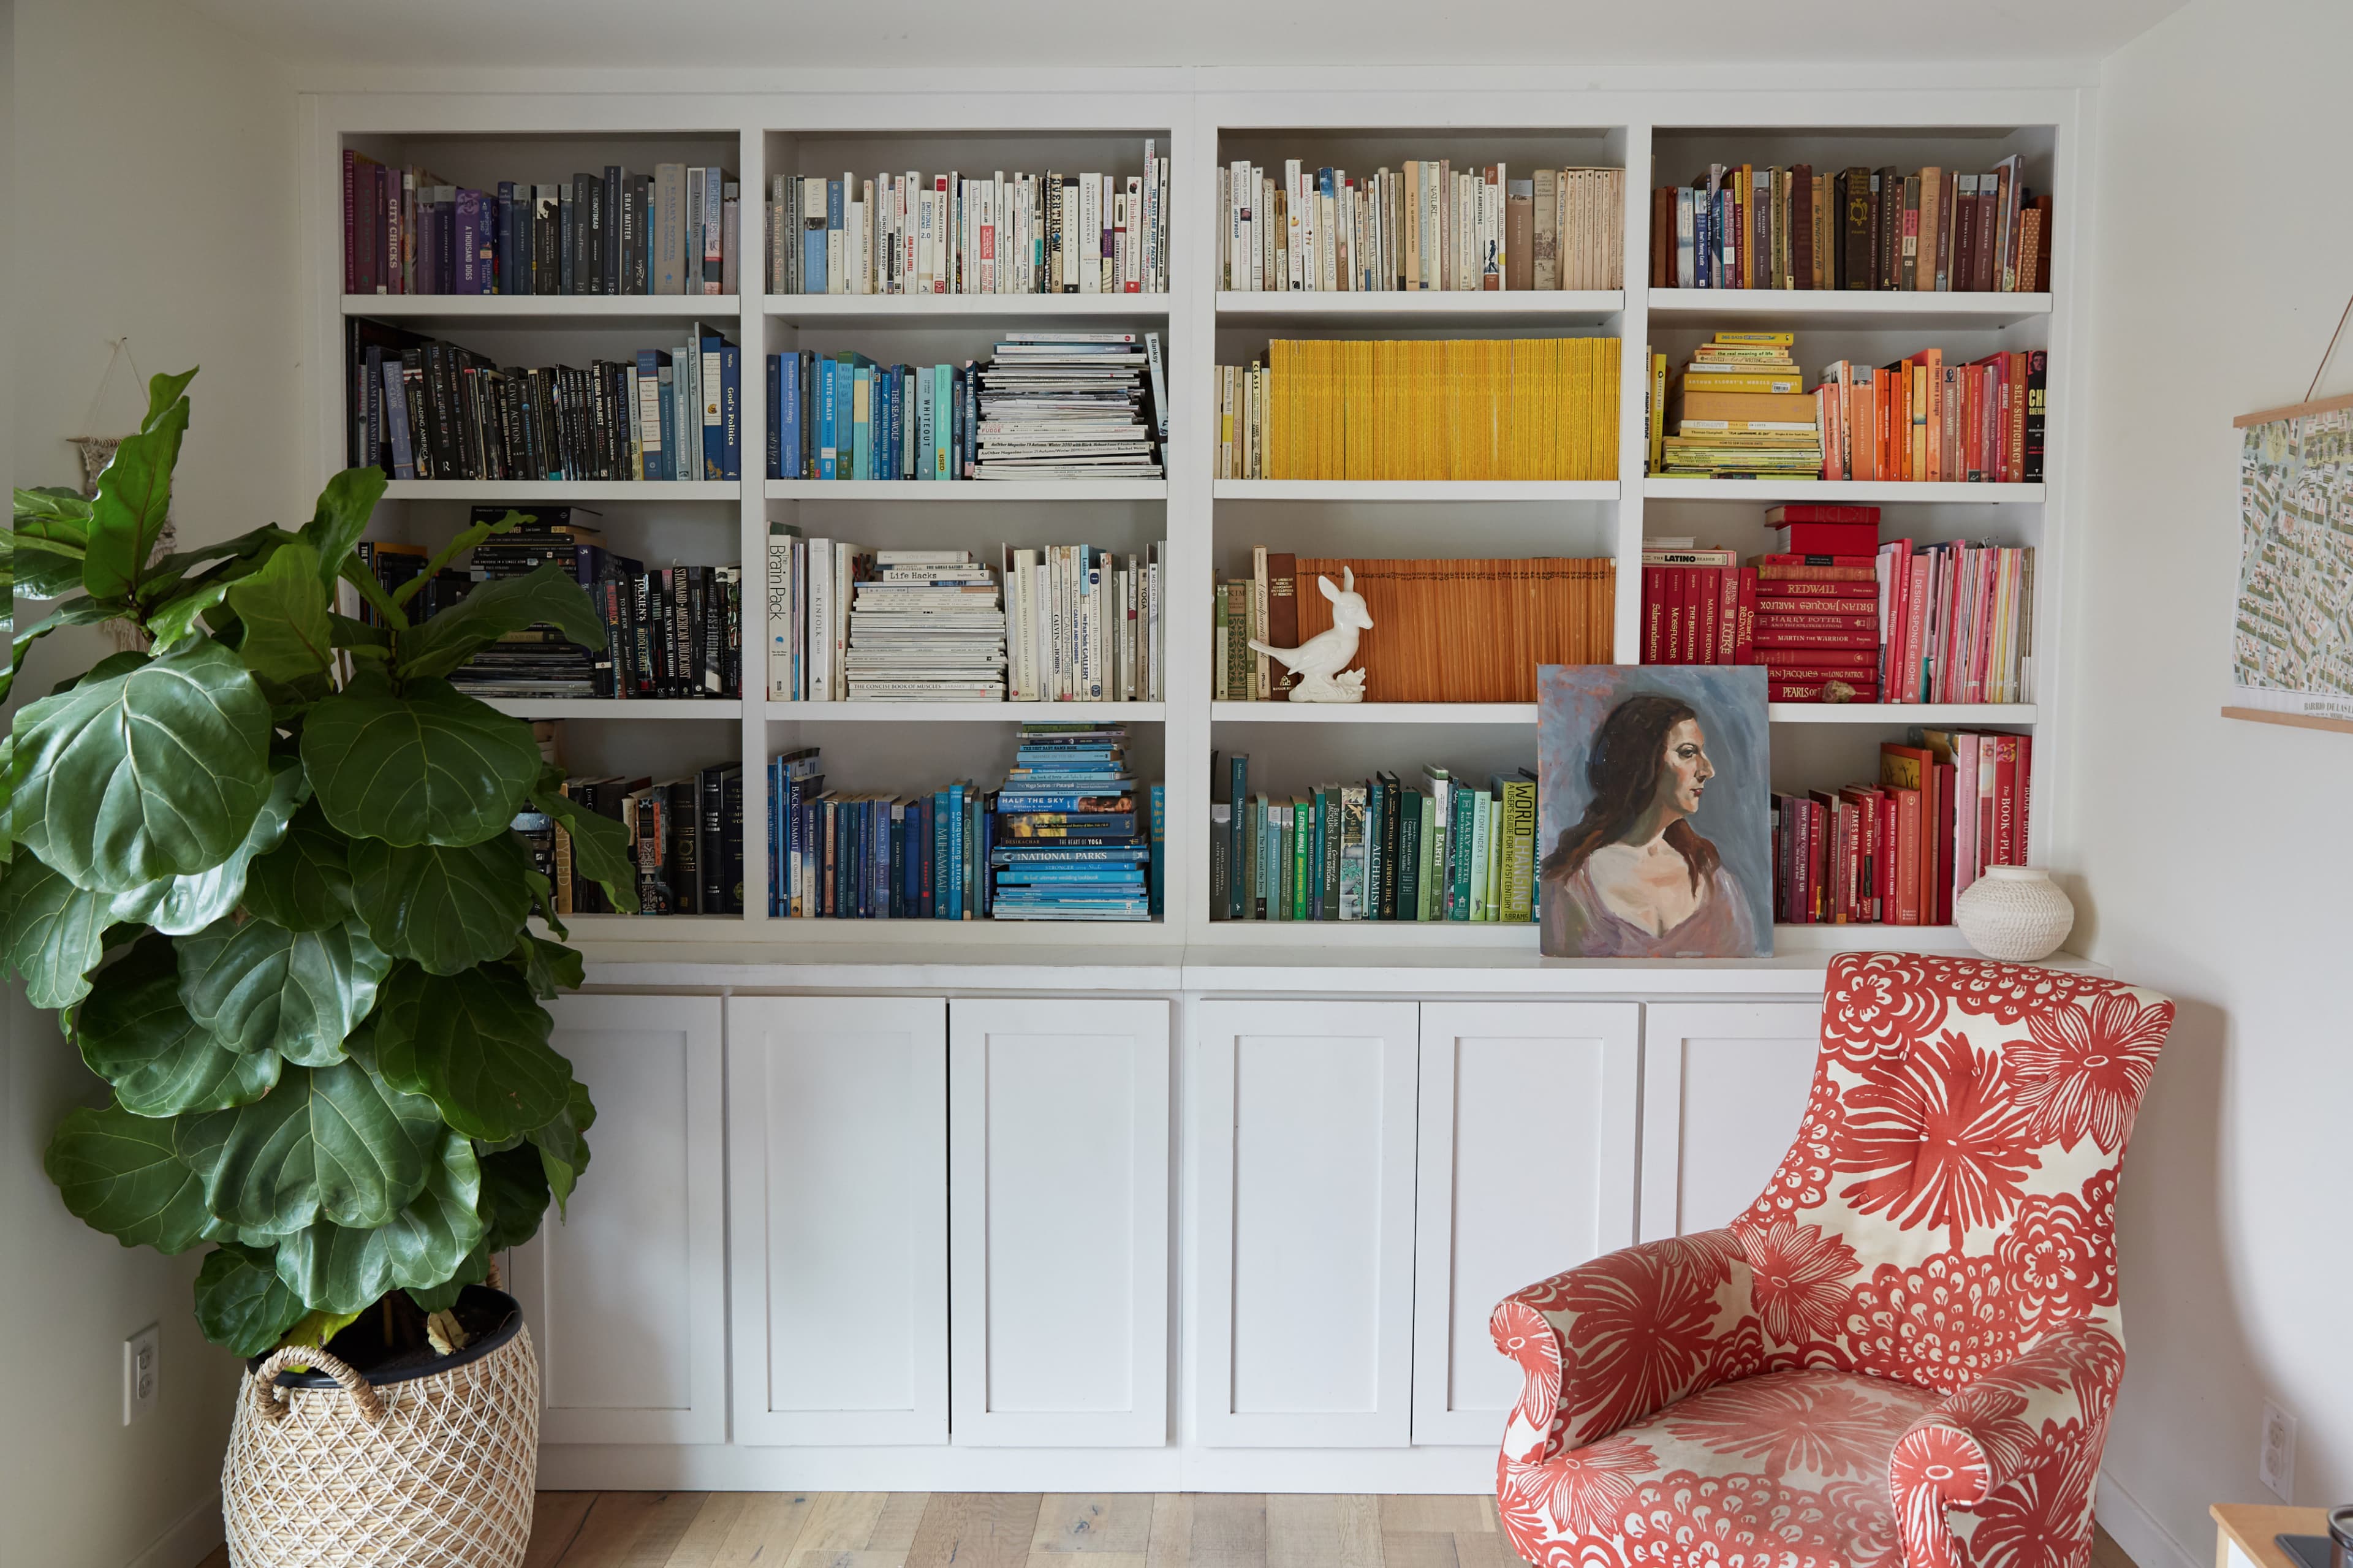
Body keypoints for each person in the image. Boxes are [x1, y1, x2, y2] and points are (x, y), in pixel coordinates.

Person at [1540, 692, 1758, 958]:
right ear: (1642, 762)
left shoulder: (1716, 881)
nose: (1707, 770)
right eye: (1688, 753)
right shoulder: (1570, 885)